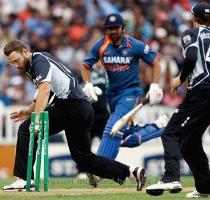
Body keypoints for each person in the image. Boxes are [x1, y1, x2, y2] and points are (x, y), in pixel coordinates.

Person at [2, 39, 146, 192]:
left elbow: (44, 89)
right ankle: (132, 172)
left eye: (16, 60)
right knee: (83, 159)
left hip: (71, 106)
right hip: (82, 108)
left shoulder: (38, 60)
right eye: (12, 64)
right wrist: (30, 109)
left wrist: (36, 119)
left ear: (25, 51)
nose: (16, 65)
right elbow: (47, 91)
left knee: (26, 129)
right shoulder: (37, 63)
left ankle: (24, 179)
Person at [81, 13, 167, 186]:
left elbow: (155, 62)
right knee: (124, 137)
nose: (112, 32)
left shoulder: (134, 45)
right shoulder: (101, 45)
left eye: (115, 28)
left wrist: (154, 85)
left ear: (123, 28)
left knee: (112, 129)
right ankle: (158, 127)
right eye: (109, 29)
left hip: (131, 94)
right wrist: (87, 83)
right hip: (112, 96)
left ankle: (99, 169)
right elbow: (85, 65)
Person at [146, 2, 210, 198]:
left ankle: (171, 177)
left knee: (171, 133)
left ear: (194, 18)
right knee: (189, 143)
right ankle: (205, 188)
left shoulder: (191, 34)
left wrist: (180, 79)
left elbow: (191, 56)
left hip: (201, 91)